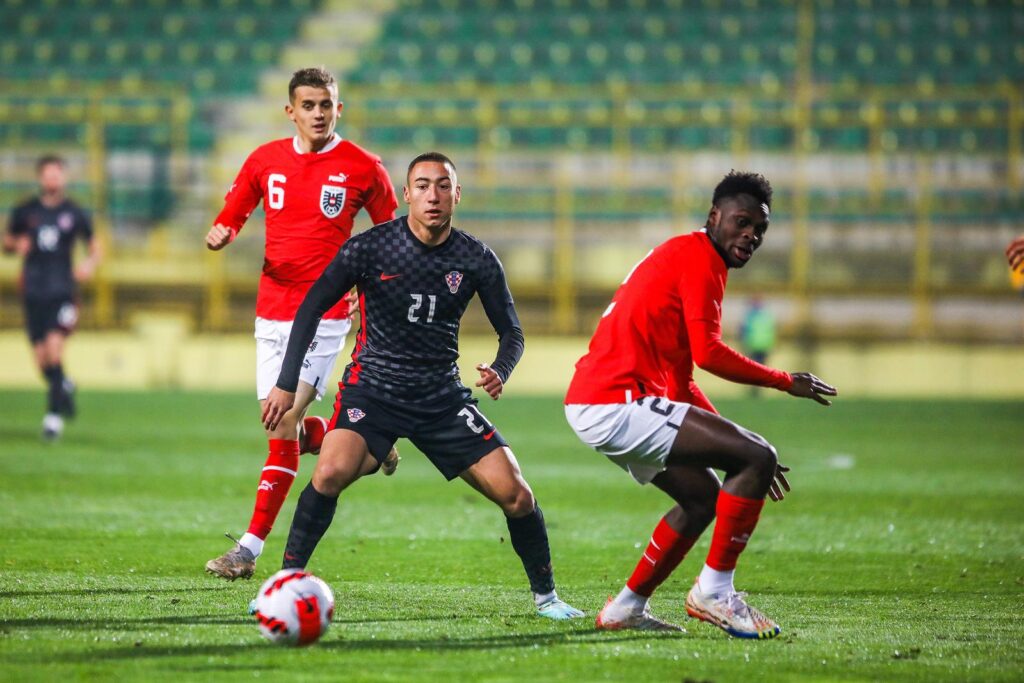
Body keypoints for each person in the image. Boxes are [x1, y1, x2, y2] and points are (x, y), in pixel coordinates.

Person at [261, 152, 584, 620]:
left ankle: (547, 598)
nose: (433, 196)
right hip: (374, 389)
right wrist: (286, 384)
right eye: (423, 186)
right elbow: (311, 307)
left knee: (517, 495)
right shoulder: (370, 248)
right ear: (407, 195)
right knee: (329, 473)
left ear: (457, 195)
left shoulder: (475, 258)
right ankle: (282, 585)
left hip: (440, 398)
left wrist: (501, 369)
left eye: (443, 186)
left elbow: (512, 332)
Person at [564, 171, 837, 638]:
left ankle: (626, 608)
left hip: (603, 401)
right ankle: (714, 592)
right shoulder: (701, 259)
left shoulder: (687, 254)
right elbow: (709, 353)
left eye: (760, 229)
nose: (750, 235)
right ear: (714, 217)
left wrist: (735, 442)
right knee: (758, 456)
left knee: (703, 497)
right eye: (741, 222)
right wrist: (783, 381)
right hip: (616, 400)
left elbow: (681, 381)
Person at [204, 67, 400, 581]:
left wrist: (368, 289)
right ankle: (365, 439)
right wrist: (224, 229)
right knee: (281, 424)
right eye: (308, 105)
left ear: (340, 108)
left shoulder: (363, 167)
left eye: (326, 104)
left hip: (326, 312)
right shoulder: (264, 160)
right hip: (272, 307)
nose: (318, 113)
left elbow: (394, 237)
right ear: (290, 111)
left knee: (283, 418)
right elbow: (235, 209)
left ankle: (248, 549)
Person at [3, 155, 101, 441]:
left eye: (57, 174)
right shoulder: (26, 210)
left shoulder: (74, 212)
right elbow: (7, 241)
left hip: (62, 291)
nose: (52, 179)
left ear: (64, 177)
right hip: (33, 290)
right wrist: (16, 244)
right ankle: (63, 384)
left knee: (54, 348)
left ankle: (53, 419)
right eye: (48, 175)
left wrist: (88, 265)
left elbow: (95, 246)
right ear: (40, 178)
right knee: (41, 360)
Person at [738, 295, 776, 397]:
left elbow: (743, 331)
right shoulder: (766, 315)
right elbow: (771, 331)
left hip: (754, 345)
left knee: (754, 369)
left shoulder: (750, 316)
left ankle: (755, 390)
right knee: (760, 369)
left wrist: (743, 343)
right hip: (762, 346)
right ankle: (757, 389)